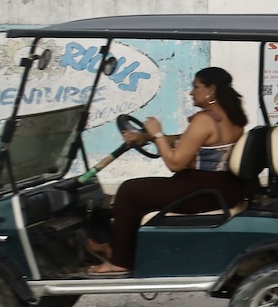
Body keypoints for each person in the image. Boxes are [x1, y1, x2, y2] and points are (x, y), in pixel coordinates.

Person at [89, 68, 249, 276]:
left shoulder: (204, 120)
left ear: (211, 90)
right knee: (144, 192)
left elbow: (174, 163)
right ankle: (115, 247)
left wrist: (157, 133)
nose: (191, 92)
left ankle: (120, 262)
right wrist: (146, 137)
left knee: (129, 192)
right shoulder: (231, 117)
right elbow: (186, 139)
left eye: (196, 87)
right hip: (222, 188)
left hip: (200, 191)